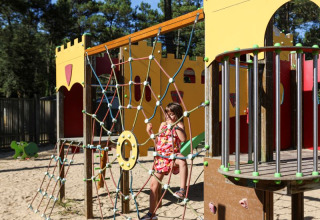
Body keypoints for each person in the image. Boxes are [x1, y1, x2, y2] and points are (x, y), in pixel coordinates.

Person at [141, 102, 188, 220]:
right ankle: (151, 214)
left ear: (178, 115)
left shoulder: (179, 124)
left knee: (182, 160)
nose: (168, 116)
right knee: (153, 185)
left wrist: (175, 126)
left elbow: (183, 139)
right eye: (167, 114)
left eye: (172, 114)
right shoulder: (162, 124)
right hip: (161, 157)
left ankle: (182, 190)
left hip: (172, 156)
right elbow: (158, 142)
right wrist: (149, 132)